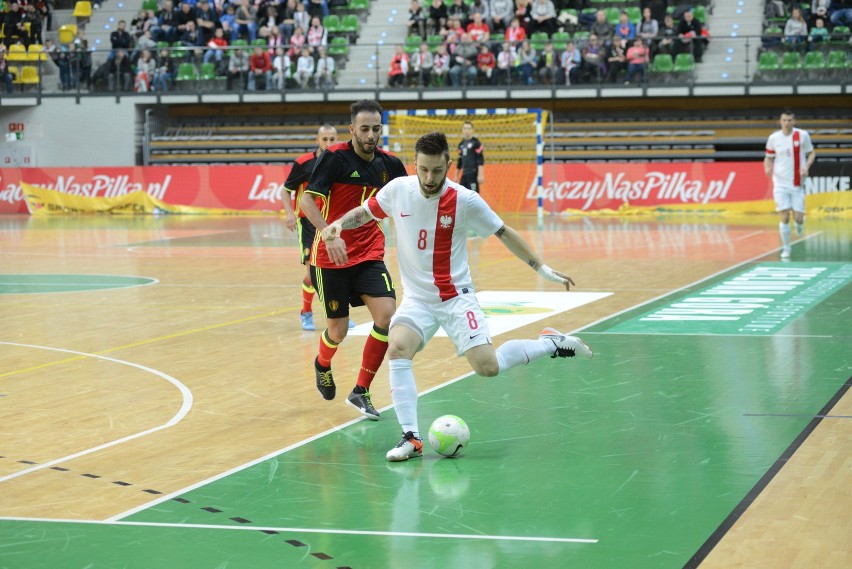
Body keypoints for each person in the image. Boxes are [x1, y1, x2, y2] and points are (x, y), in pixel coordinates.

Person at [318, 132, 592, 462]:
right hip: (418, 300)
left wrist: (542, 268)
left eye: (436, 170)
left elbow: (504, 232)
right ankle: (411, 437)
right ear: (414, 166)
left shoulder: (465, 200)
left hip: (455, 298)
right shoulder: (398, 191)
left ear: (449, 165)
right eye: (423, 170)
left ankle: (551, 343)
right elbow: (364, 212)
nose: (429, 178)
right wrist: (337, 224)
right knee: (398, 346)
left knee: (488, 367)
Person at [299, 99, 408, 419]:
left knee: (388, 316)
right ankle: (322, 362)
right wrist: (329, 233)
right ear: (352, 130)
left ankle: (361, 390)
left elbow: (407, 200)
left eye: (376, 128)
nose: (371, 135)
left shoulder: (390, 165)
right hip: (330, 257)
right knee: (338, 331)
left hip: (369, 253)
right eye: (365, 129)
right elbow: (307, 201)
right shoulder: (334, 159)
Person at [281, 124, 340, 331]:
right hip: (308, 223)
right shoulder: (303, 163)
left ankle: (335, 316)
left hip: (330, 222)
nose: (329, 143)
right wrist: (289, 213)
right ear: (317, 140)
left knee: (333, 271)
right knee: (313, 273)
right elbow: (285, 190)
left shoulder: (340, 161)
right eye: (325, 139)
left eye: (332, 139)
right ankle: (306, 311)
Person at [764, 110, 816, 259]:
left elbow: (812, 153)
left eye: (789, 120)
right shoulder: (773, 138)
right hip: (780, 182)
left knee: (798, 218)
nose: (786, 123)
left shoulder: (802, 135)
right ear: (780, 122)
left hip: (797, 183)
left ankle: (800, 223)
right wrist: (767, 167)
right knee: (785, 216)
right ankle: (786, 248)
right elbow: (768, 157)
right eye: (784, 120)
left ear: (794, 122)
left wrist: (806, 165)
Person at [455, 120, 484, 193]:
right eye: (465, 128)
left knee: (474, 196)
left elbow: (480, 159)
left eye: (469, 128)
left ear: (472, 130)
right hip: (464, 175)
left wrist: (480, 175)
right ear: (462, 130)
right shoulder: (461, 144)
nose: (466, 130)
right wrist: (456, 176)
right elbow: (459, 162)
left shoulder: (476, 143)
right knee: (461, 195)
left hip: (473, 175)